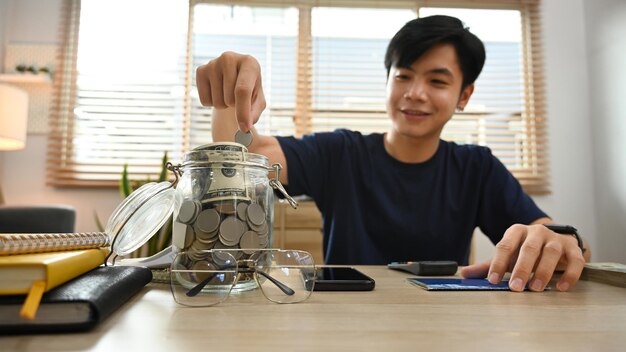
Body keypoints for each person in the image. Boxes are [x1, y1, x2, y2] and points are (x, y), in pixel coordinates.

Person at [196, 15, 590, 292]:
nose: (414, 92)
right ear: (387, 82)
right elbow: (249, 161)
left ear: (464, 96)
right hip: (345, 325)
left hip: (440, 326)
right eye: (403, 75)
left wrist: (558, 239)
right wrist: (231, 97)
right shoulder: (342, 153)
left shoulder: (476, 166)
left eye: (436, 80)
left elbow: (556, 239)